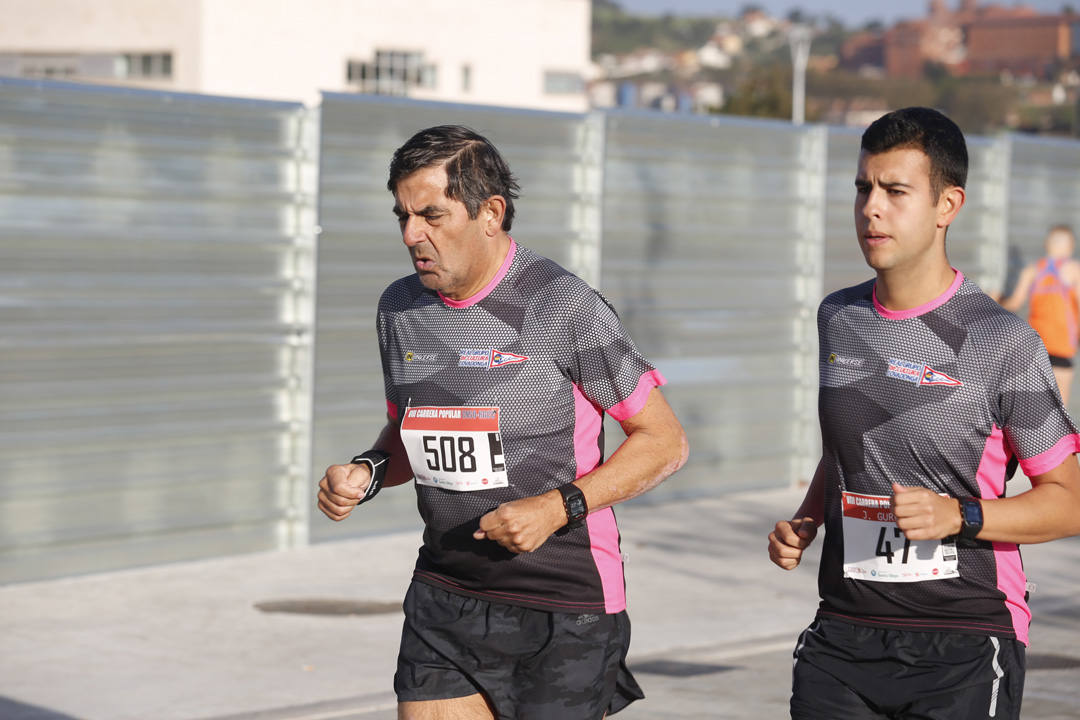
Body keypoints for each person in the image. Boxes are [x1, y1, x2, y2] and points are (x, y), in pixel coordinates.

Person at [317, 125, 688, 720]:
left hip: (565, 607)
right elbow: (407, 436)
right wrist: (367, 469)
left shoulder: (563, 304)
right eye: (403, 216)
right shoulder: (399, 308)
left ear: (491, 212)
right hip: (446, 593)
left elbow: (664, 442)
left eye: (432, 215)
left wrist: (555, 508)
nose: (413, 235)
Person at [767, 107, 1080, 719]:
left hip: (962, 640)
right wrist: (806, 520)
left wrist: (956, 515)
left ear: (947, 205)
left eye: (895, 191)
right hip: (844, 633)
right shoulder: (839, 315)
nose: (871, 208)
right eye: (863, 188)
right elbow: (848, 448)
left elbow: (1068, 499)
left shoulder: (1000, 340)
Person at [997, 224, 1080, 404]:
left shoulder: (1032, 270)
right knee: (1060, 405)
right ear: (1071, 246)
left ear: (1046, 244)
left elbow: (1014, 304)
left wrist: (996, 300)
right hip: (1063, 346)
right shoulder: (1074, 270)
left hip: (1035, 345)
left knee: (1035, 404)